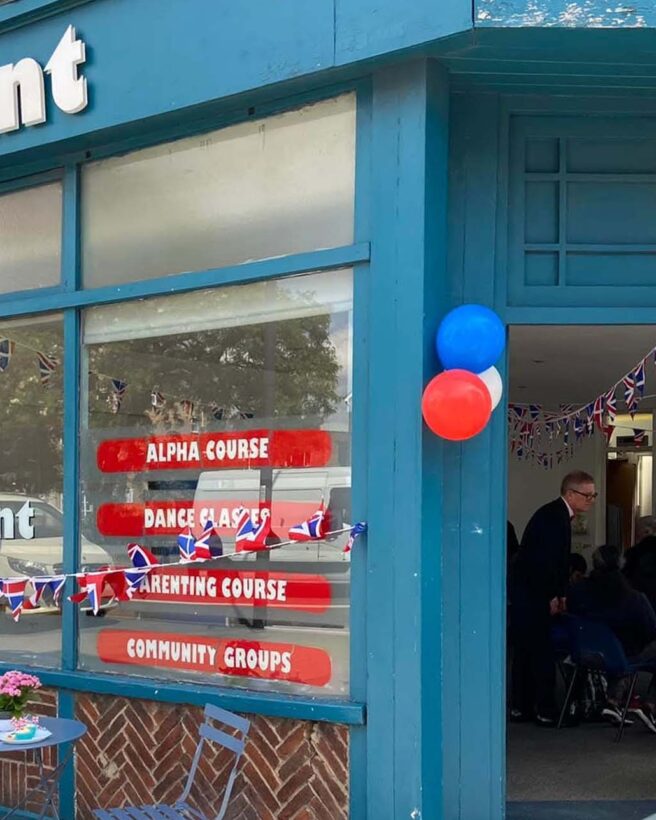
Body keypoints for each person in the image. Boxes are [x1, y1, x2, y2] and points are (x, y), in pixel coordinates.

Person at [509, 470, 597, 726]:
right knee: (540, 652)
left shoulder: (553, 514)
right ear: (570, 493)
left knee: (526, 652)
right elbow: (546, 563)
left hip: (529, 594)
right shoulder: (554, 518)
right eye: (587, 495)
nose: (591, 500)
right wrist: (553, 595)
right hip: (534, 595)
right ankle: (544, 709)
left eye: (594, 495)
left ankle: (522, 707)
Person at [568, 544, 656, 731]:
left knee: (617, 651)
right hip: (622, 656)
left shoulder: (577, 592)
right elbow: (650, 629)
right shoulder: (634, 598)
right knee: (630, 653)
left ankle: (613, 701)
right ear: (620, 564)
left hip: (584, 653)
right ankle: (651, 704)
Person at [624, 516, 656, 614]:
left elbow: (626, 576)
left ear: (647, 531)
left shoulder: (633, 553)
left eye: (638, 529)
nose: (637, 533)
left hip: (640, 602)